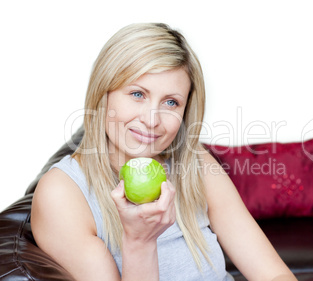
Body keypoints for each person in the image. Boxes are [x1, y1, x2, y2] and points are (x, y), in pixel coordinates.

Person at [31, 23, 297, 281]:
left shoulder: (195, 162)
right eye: (137, 94)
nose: (151, 119)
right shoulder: (63, 193)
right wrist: (140, 241)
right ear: (104, 93)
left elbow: (273, 274)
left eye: (171, 102)